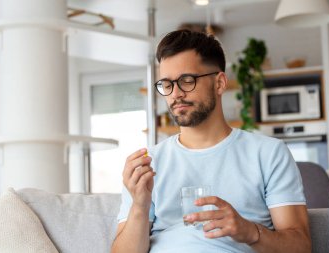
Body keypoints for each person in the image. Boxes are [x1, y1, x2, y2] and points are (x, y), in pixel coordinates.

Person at [111, 29, 311, 253]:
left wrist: (249, 232)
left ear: (219, 83)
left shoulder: (268, 153)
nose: (175, 94)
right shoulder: (149, 163)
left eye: (187, 80)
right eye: (167, 85)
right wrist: (140, 206)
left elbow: (300, 247)